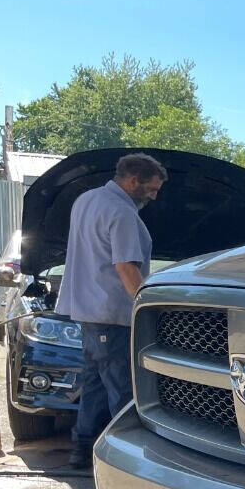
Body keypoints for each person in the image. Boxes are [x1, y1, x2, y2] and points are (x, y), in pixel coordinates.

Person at [58, 153, 166, 468]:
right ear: (133, 181)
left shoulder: (86, 200)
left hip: (87, 312)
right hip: (112, 315)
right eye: (152, 189)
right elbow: (126, 268)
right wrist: (146, 309)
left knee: (92, 384)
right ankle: (127, 461)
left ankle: (81, 449)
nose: (154, 196)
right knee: (123, 390)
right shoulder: (122, 213)